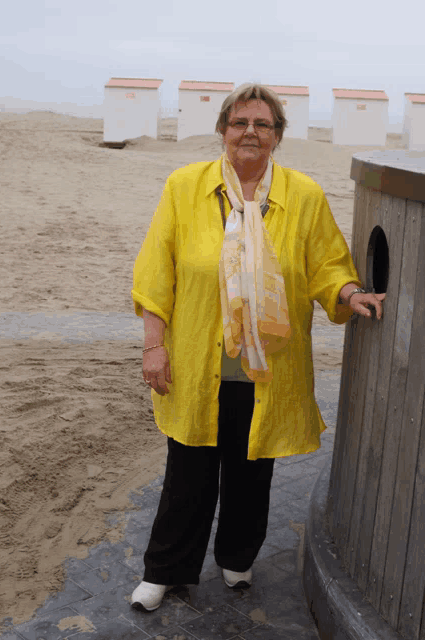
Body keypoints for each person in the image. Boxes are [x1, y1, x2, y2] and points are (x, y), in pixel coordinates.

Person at [130, 83, 385, 612]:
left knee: (252, 471)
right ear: (223, 130)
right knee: (188, 474)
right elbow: (157, 274)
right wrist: (155, 346)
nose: (250, 132)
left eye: (262, 124)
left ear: (277, 137)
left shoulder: (303, 195)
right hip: (199, 364)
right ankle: (166, 569)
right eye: (240, 122)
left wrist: (350, 293)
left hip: (268, 367)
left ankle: (236, 559)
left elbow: (327, 266)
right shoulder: (185, 186)